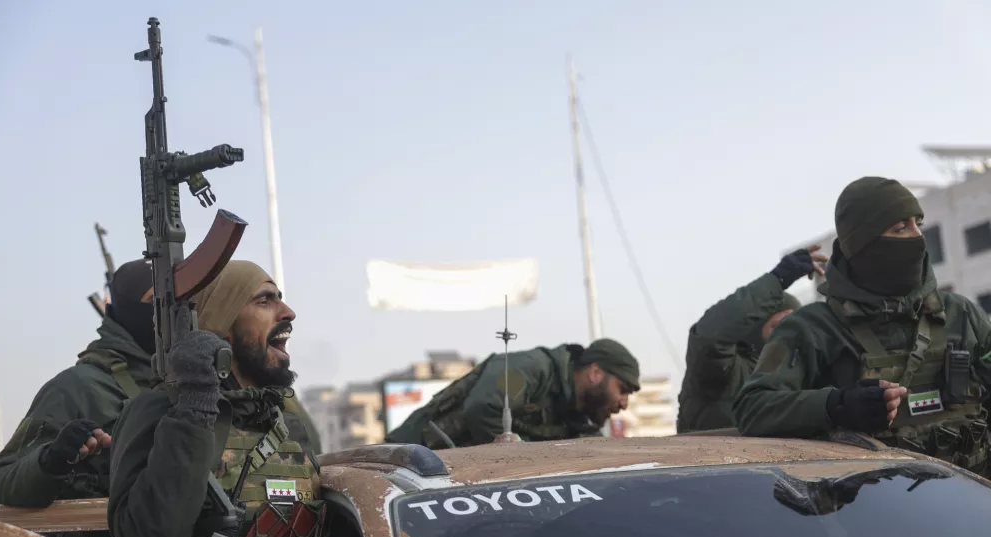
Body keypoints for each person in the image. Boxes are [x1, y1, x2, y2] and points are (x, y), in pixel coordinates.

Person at [107, 260, 331, 537]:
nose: (288, 313)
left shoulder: (290, 426)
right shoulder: (162, 411)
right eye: (264, 300)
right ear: (222, 327)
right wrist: (194, 406)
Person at [733, 176, 991, 475]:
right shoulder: (813, 329)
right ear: (863, 246)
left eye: (917, 223)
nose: (917, 236)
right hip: (870, 513)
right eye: (900, 228)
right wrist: (836, 405)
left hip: (972, 504)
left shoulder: (960, 314)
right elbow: (752, 409)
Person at [0, 258, 157, 537]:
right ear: (119, 311)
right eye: (155, 301)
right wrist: (51, 461)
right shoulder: (79, 388)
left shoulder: (205, 382)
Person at [676, 245, 826, 432]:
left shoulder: (797, 375)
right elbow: (710, 337)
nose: (788, 333)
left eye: (793, 326)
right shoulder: (726, 371)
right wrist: (778, 279)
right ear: (755, 328)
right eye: (778, 326)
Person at [385, 338, 641, 448]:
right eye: (622, 389)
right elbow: (484, 407)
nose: (624, 403)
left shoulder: (577, 420)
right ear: (595, 373)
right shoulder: (535, 370)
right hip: (404, 463)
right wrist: (525, 460)